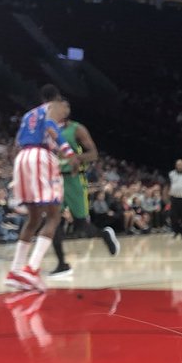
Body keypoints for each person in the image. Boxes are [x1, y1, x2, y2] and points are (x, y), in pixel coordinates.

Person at [5, 85, 76, 293]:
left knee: (34, 218)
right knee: (54, 215)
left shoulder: (28, 114)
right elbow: (52, 126)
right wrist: (68, 153)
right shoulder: (52, 108)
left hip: (22, 158)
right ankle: (32, 269)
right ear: (56, 99)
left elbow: (18, 140)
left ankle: (16, 271)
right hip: (40, 157)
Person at [49, 102, 120, 279]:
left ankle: (103, 234)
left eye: (63, 107)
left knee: (81, 225)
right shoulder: (47, 130)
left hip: (74, 180)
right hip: (54, 179)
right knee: (53, 221)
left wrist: (76, 158)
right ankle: (62, 264)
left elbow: (93, 154)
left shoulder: (76, 129)